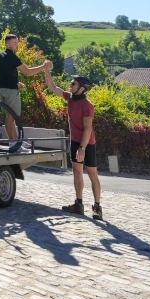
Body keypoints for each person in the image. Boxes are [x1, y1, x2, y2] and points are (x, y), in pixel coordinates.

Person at [43, 64, 102, 220]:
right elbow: (52, 87)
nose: (70, 85)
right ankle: (79, 204)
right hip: (75, 141)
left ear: (82, 88)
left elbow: (87, 129)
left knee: (92, 173)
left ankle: (97, 207)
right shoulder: (70, 97)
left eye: (73, 83)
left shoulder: (87, 106)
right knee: (77, 172)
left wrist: (82, 148)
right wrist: (46, 70)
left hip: (87, 143)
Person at [0, 34, 51, 153]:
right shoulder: (12, 57)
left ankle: (16, 141)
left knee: (9, 117)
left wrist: (16, 83)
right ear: (8, 44)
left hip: (2, 89)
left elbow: (4, 74)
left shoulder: (1, 55)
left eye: (17, 42)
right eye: (14, 43)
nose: (17, 45)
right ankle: (14, 144)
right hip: (11, 91)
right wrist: (44, 66)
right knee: (12, 117)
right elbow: (28, 72)